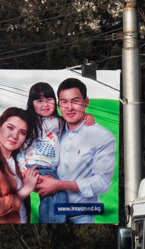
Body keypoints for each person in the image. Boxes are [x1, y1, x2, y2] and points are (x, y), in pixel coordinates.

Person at [34, 78, 116, 224]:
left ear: (86, 102)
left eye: (75, 101)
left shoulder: (103, 136)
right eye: (64, 102)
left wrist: (59, 185)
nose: (69, 107)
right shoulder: (52, 131)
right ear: (58, 104)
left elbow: (102, 182)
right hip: (49, 213)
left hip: (81, 216)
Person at [22, 82, 93, 225]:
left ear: (56, 101)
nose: (45, 104)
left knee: (53, 196)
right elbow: (20, 148)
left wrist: (88, 117)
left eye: (49, 99)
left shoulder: (59, 122)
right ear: (31, 103)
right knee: (57, 195)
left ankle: (49, 223)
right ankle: (52, 225)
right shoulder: (29, 122)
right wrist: (23, 169)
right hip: (35, 167)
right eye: (39, 101)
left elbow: (75, 125)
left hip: (51, 168)